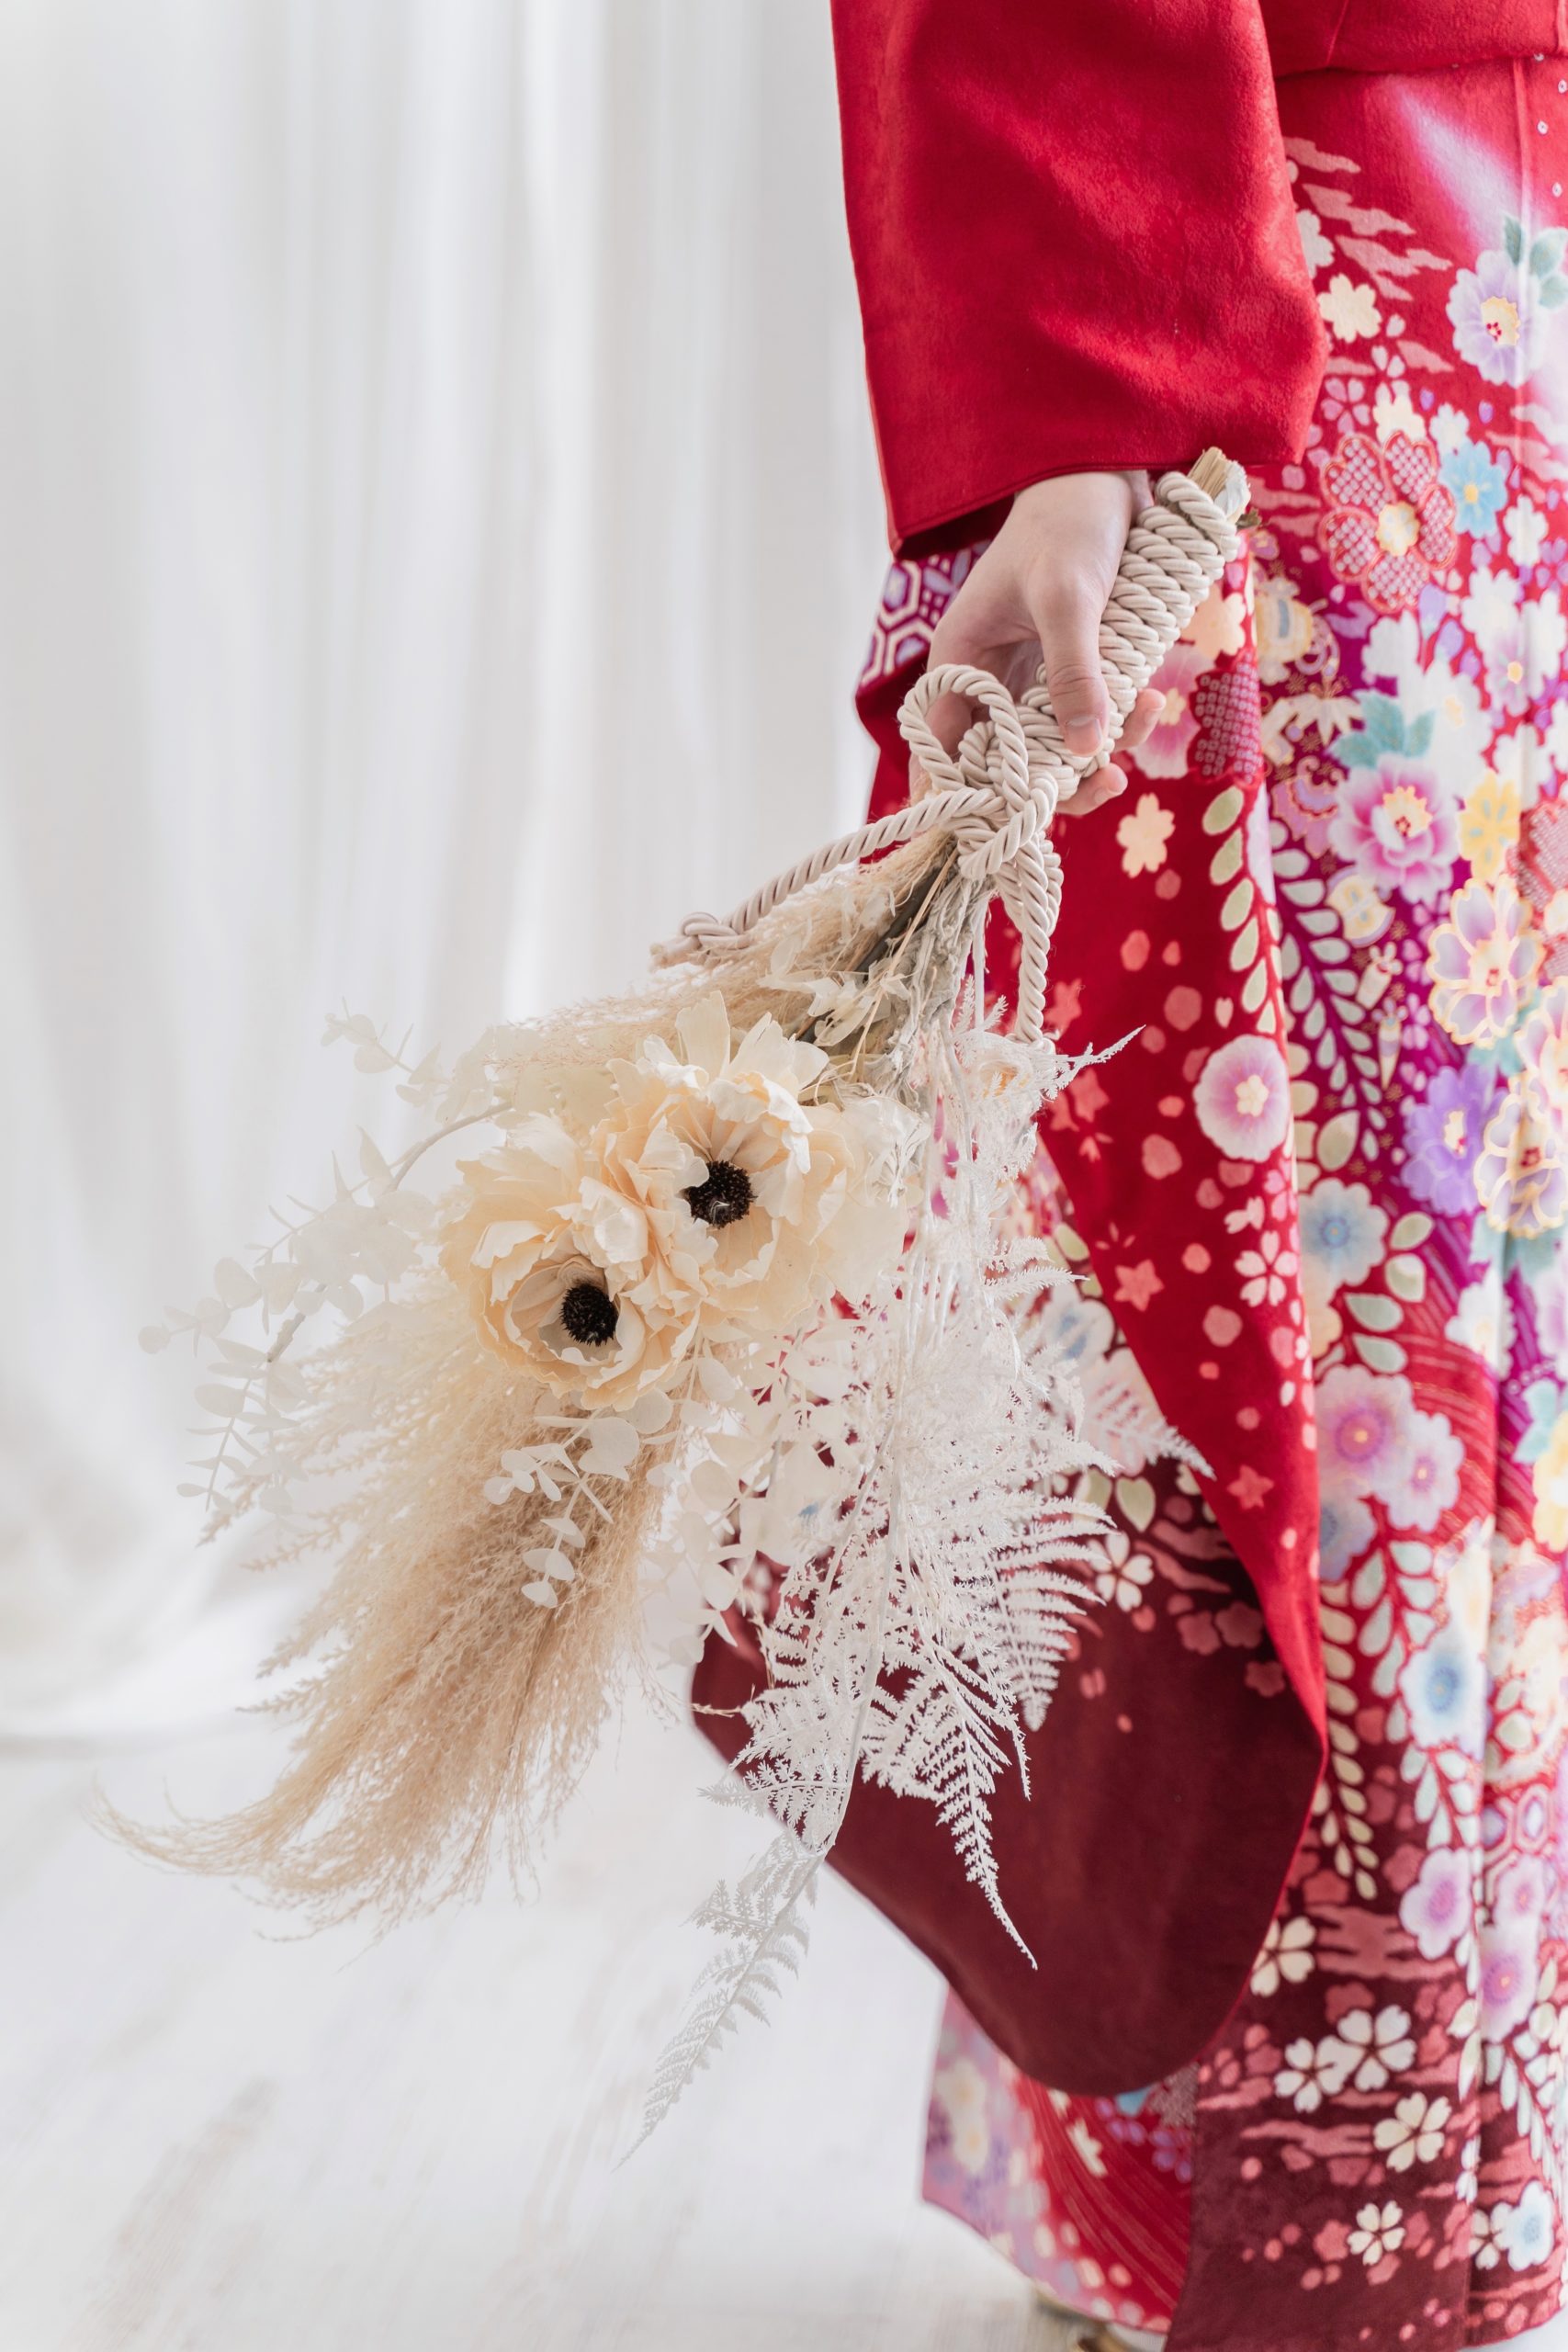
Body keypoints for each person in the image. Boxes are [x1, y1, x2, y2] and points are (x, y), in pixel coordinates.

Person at [697, 6, 1568, 2346]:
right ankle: (1292, 2221)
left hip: (1482, 279)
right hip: (1309, 300)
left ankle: (1261, 2193)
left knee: (1435, 1256)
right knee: (1320, 1293)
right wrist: (1086, 396)